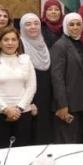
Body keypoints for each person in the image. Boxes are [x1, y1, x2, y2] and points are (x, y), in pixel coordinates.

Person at [0, 27, 36, 149]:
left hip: (23, 113)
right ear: (0, 43)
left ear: (18, 42)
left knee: (22, 150)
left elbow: (31, 86)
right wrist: (6, 109)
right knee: (0, 151)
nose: (10, 43)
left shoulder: (26, 60)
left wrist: (19, 109)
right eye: (6, 40)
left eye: (14, 39)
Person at [50, 13, 83, 144]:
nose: (75, 27)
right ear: (65, 26)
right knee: (66, 143)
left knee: (76, 141)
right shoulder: (60, 45)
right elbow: (57, 77)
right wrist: (62, 105)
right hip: (67, 103)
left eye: (78, 24)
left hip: (79, 102)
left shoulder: (81, 43)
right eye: (71, 24)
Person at [20, 13, 54, 145]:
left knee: (46, 132)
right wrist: (30, 101)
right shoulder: (19, 45)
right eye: (28, 24)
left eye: (36, 23)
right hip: (29, 98)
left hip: (46, 95)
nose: (33, 27)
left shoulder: (46, 43)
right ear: (22, 27)